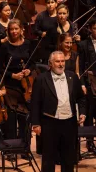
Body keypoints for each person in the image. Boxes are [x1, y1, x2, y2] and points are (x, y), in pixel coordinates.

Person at [31, 51, 86, 172]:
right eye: (57, 61)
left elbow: (81, 97)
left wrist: (82, 112)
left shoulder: (72, 76)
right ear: (50, 63)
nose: (61, 64)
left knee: (68, 158)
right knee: (48, 159)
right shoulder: (41, 79)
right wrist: (35, 123)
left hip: (69, 123)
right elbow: (35, 102)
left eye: (62, 61)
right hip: (49, 122)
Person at [0, 19, 33, 141]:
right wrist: (12, 75)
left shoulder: (28, 44)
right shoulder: (4, 47)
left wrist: (29, 71)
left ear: (21, 29)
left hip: (26, 86)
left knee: (25, 116)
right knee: (11, 118)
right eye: (12, 29)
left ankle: (24, 146)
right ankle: (10, 147)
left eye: (16, 28)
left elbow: (33, 63)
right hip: (10, 86)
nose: (14, 31)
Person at [79, 19, 96, 153]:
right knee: (89, 112)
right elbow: (82, 67)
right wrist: (83, 84)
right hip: (90, 83)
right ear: (90, 29)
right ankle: (90, 141)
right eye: (95, 28)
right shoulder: (84, 45)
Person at [34, 0, 58, 64]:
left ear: (56, 4)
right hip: (45, 45)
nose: (50, 5)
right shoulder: (41, 16)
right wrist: (41, 33)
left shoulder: (59, 15)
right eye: (48, 3)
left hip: (57, 44)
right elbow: (35, 30)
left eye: (52, 2)